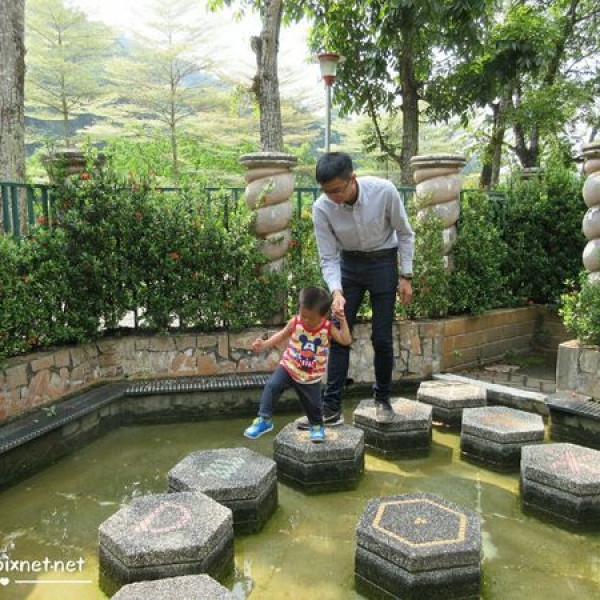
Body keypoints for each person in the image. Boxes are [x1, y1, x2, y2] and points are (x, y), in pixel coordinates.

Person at [298, 152, 415, 427]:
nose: (333, 198)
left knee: (382, 338)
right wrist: (336, 292)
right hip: (348, 266)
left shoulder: (384, 191)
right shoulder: (322, 208)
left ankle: (382, 399)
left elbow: (404, 233)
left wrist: (406, 276)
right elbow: (328, 257)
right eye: (327, 192)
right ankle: (331, 407)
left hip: (383, 262)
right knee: (339, 335)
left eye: (337, 190)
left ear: (353, 178)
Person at [244, 286, 352, 443]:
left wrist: (342, 320)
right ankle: (264, 419)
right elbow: (281, 335)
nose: (305, 320)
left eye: (310, 318)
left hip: (311, 377)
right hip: (289, 367)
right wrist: (264, 345)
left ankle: (316, 427)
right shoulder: (296, 322)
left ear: (323, 316)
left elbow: (345, 340)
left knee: (314, 405)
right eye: (303, 315)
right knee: (272, 385)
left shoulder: (327, 327)